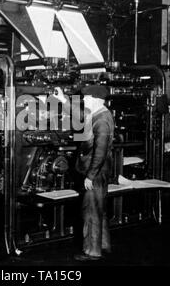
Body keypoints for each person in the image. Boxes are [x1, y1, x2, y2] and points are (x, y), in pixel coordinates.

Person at [54, 85, 114, 261]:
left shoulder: (102, 120)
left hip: (95, 171)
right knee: (99, 209)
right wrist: (63, 99)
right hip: (99, 170)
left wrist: (90, 175)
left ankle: (92, 252)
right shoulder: (98, 113)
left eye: (86, 98)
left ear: (96, 100)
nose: (84, 101)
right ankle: (103, 244)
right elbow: (80, 115)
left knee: (90, 211)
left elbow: (100, 151)